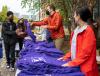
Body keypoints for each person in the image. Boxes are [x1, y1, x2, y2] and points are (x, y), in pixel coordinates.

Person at [58, 6, 99, 76]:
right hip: (77, 66)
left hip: (86, 69)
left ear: (78, 16)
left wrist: (71, 63)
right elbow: (73, 49)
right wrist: (65, 57)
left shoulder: (88, 31)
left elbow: (85, 54)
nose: (73, 16)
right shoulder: (76, 31)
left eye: (74, 15)